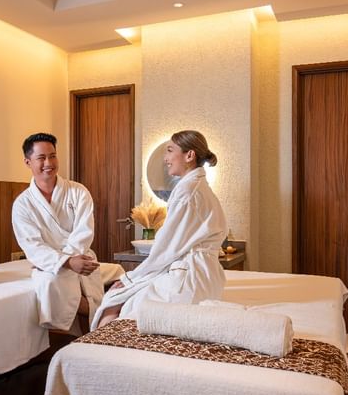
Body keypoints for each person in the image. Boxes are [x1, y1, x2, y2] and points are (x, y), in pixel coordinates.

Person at [91, 129, 228, 330]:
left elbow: (167, 248)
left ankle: (100, 350)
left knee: (116, 302)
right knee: (119, 299)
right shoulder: (198, 187)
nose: (166, 159)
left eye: (170, 151)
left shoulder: (187, 191)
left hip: (190, 280)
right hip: (206, 276)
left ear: (189, 155)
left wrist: (130, 278)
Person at [12, 132, 103, 334]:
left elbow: (84, 231)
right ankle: (62, 341)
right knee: (49, 282)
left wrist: (73, 259)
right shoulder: (22, 204)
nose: (48, 163)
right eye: (41, 158)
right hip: (48, 263)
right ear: (28, 162)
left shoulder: (78, 191)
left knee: (72, 287)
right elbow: (32, 245)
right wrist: (67, 262)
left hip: (81, 255)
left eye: (52, 156)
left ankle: (96, 327)